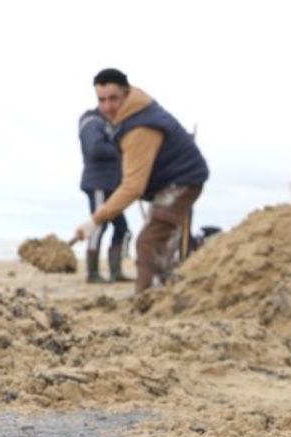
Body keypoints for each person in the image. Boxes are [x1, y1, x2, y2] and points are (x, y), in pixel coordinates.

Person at [72, 69, 209, 294]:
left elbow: (133, 187)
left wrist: (95, 220)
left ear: (126, 94)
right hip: (169, 182)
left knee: (148, 241)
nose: (107, 107)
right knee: (161, 240)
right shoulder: (132, 113)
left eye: (113, 98)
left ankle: (146, 299)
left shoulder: (140, 127)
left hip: (181, 181)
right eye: (101, 99)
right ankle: (164, 289)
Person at [78, 102, 130, 283]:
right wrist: (123, 149)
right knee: (99, 225)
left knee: (122, 228)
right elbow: (95, 148)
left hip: (114, 185)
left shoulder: (111, 125)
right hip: (99, 182)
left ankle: (116, 271)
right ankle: (92, 273)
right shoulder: (91, 122)